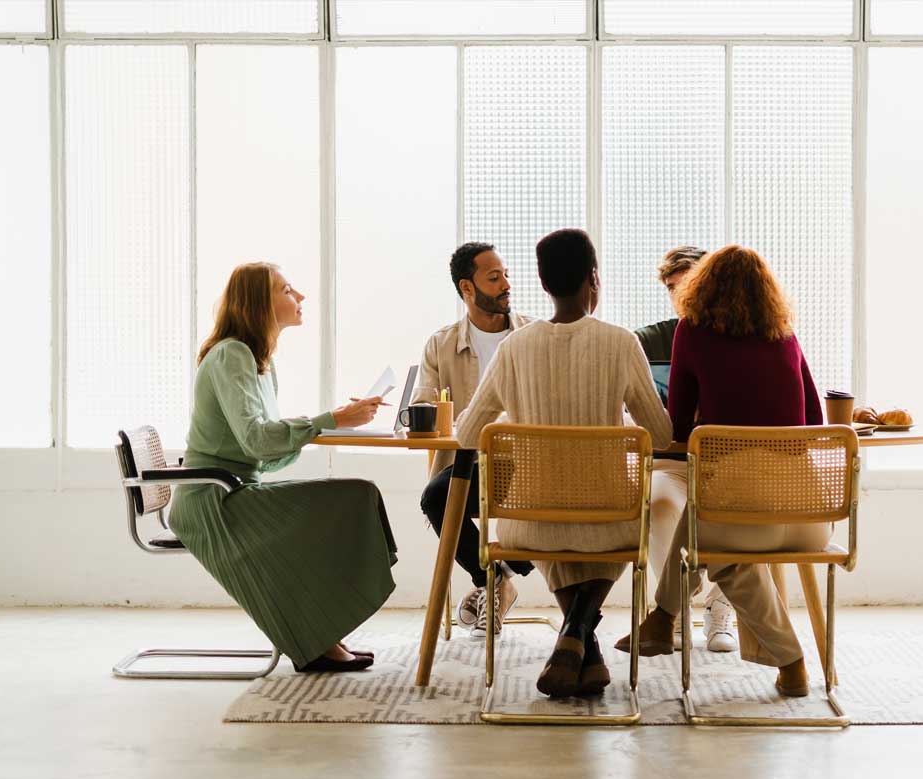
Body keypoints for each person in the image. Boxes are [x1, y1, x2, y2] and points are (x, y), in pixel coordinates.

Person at [456, 229, 673, 699]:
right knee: (621, 518)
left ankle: (577, 645)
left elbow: (469, 434)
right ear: (593, 278)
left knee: (560, 520)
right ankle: (577, 630)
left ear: (542, 281)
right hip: (610, 522)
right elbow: (659, 435)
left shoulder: (514, 347)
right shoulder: (620, 343)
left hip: (528, 524)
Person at [615, 245, 829, 698]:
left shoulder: (692, 333)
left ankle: (784, 659)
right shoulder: (785, 334)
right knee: (707, 524)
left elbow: (676, 424)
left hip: (743, 511)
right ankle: (660, 620)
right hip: (810, 518)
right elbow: (815, 420)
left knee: (716, 544)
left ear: (702, 286)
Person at [168, 262, 397, 673]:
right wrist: (329, 420)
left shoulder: (259, 363)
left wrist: (330, 425)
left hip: (232, 491)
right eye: (288, 289)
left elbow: (264, 452)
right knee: (353, 497)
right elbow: (256, 440)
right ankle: (318, 636)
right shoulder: (232, 354)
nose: (301, 296)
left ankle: (320, 632)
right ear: (260, 301)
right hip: (213, 499)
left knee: (354, 495)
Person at [415, 243, 535, 638]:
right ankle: (492, 582)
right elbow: (424, 406)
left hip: (529, 464)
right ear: (468, 287)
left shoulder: (534, 335)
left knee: (560, 502)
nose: (506, 284)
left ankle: (494, 581)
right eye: (494, 277)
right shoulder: (441, 343)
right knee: (435, 497)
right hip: (469, 464)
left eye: (505, 275)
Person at [634, 246, 738, 654]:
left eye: (691, 285)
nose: (682, 296)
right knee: (659, 503)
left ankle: (720, 606)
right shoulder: (647, 340)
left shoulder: (738, 335)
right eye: (674, 288)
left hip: (725, 462)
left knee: (748, 503)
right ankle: (672, 607)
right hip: (670, 461)